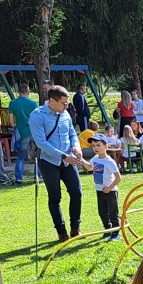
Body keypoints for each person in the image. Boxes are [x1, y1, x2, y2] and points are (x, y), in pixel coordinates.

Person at [29, 84, 84, 241]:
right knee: (55, 197)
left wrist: (76, 146)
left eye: (67, 103)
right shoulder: (37, 115)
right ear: (52, 101)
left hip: (68, 161)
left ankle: (75, 228)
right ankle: (61, 232)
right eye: (64, 103)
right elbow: (41, 143)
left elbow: (72, 134)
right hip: (49, 162)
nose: (67, 106)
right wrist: (63, 156)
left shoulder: (65, 113)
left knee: (77, 193)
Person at [88, 134, 121, 239]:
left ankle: (115, 233)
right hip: (99, 191)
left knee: (113, 213)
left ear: (105, 146)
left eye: (98, 145)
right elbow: (89, 167)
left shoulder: (109, 161)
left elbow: (118, 178)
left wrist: (109, 188)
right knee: (102, 213)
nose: (95, 148)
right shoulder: (95, 158)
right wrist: (80, 159)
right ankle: (107, 230)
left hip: (111, 191)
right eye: (93, 146)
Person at [8, 82, 38, 185]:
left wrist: (15, 126)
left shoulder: (13, 103)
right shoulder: (33, 103)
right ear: (28, 92)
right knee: (37, 155)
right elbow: (38, 119)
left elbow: (11, 122)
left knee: (21, 156)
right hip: (34, 132)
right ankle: (37, 176)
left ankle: (19, 178)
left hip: (22, 132)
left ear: (18, 92)